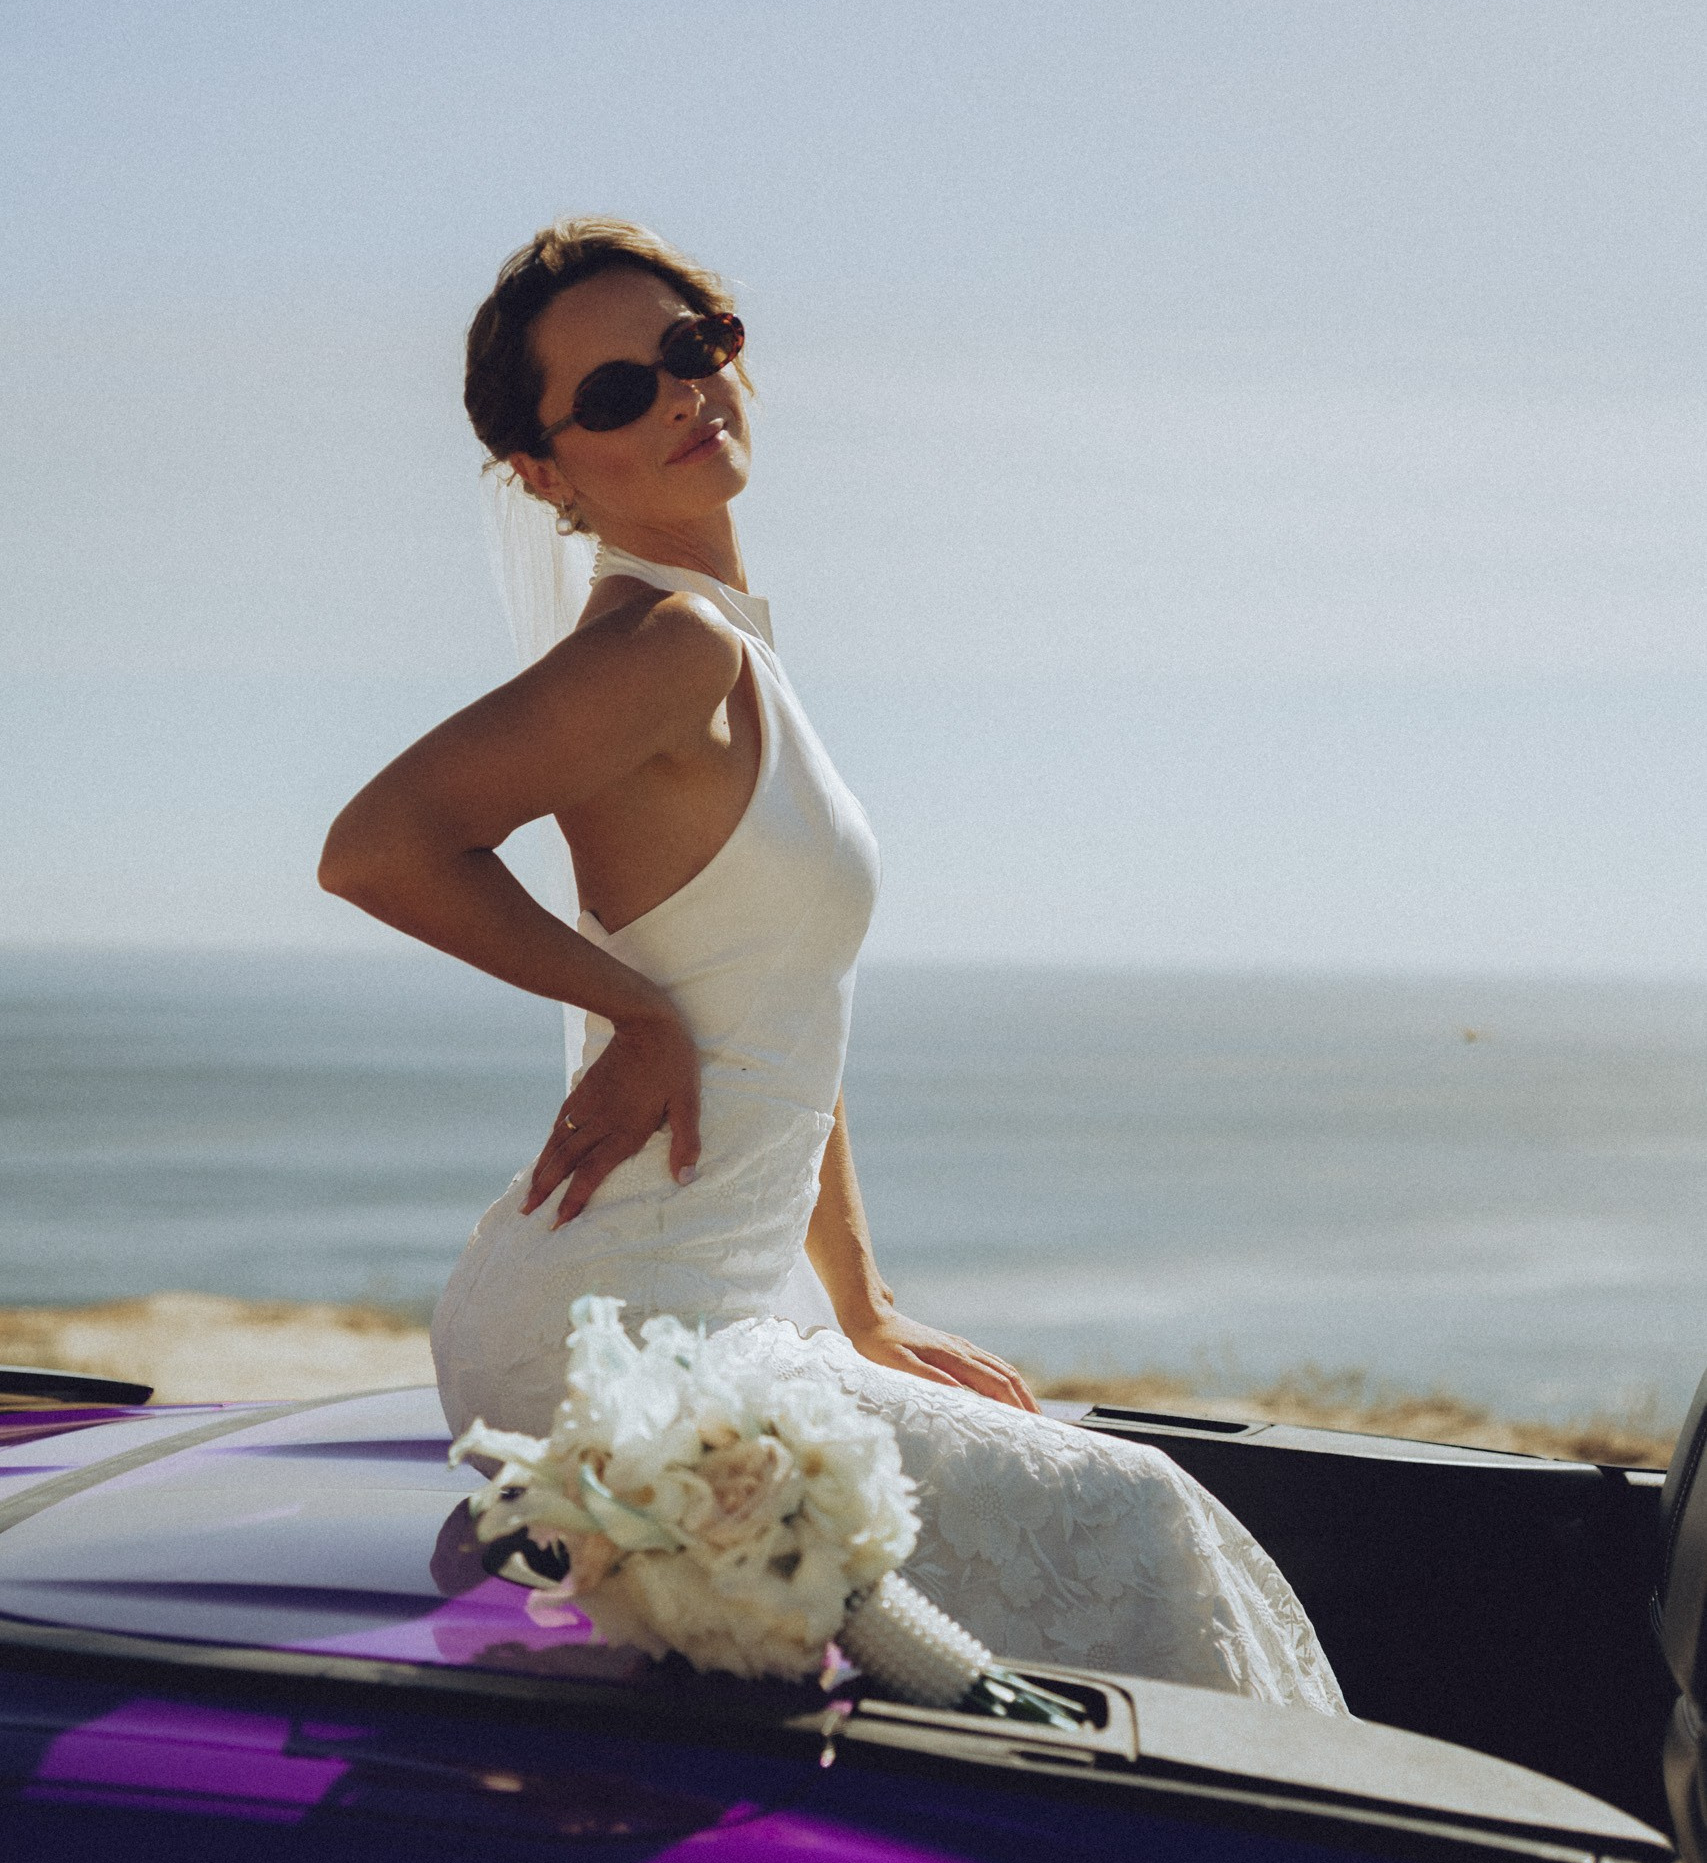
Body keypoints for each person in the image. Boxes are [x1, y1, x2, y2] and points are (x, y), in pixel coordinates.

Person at [320, 218, 1344, 1712]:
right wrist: (628, 1008)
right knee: (1142, 1516)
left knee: (1127, 1516)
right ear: (544, 472)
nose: (682, 393)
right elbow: (378, 846)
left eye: (694, 346)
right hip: (618, 1339)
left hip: (717, 1301)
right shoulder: (670, 646)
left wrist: (861, 1305)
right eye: (616, 393)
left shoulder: (735, 649)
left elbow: (784, 1018)